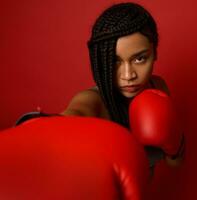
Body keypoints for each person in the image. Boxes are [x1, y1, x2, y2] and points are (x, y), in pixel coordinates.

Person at [59, 2, 184, 170]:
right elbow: (74, 114)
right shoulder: (93, 101)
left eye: (139, 59)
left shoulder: (157, 86)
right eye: (114, 62)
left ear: (155, 53)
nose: (128, 75)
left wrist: (174, 143)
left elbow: (175, 163)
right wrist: (43, 126)